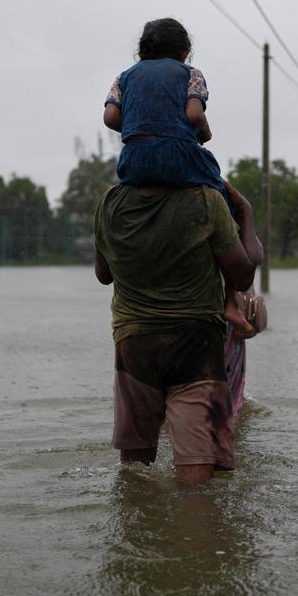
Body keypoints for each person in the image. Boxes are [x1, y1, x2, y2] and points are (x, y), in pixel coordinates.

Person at [94, 178, 263, 483]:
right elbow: (243, 273)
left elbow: (103, 274)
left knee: (134, 472)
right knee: (196, 480)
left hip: (134, 339)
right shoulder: (207, 202)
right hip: (195, 344)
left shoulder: (112, 201)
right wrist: (246, 213)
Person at [102, 17, 247, 330]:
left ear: (143, 51)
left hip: (134, 163)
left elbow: (110, 116)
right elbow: (194, 113)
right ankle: (232, 301)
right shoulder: (191, 74)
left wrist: (136, 128)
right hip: (180, 158)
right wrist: (204, 131)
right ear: (184, 52)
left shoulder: (124, 77)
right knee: (225, 201)